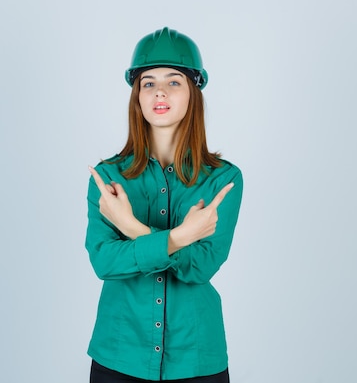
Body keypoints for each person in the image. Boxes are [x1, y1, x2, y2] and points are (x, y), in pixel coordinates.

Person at [85, 27, 243, 383]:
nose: (159, 91)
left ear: (193, 92)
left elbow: (200, 267)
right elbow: (104, 261)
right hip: (119, 354)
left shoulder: (223, 180)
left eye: (174, 82)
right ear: (137, 96)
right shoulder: (108, 178)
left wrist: (131, 229)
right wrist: (182, 236)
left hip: (196, 358)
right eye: (148, 82)